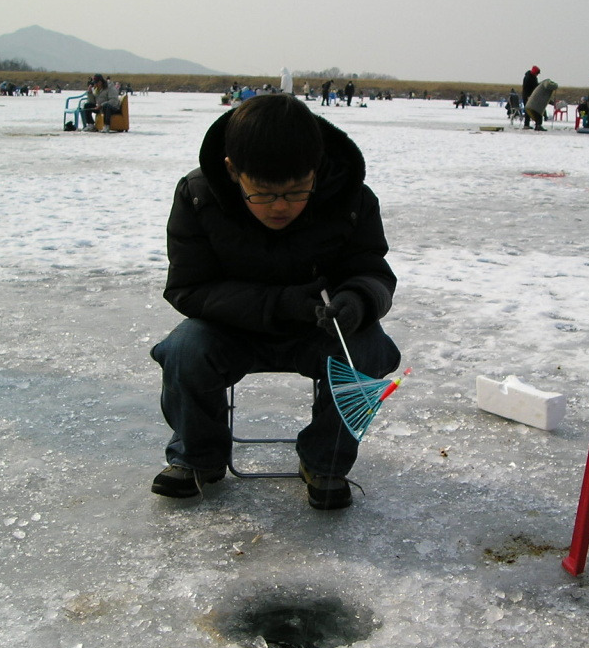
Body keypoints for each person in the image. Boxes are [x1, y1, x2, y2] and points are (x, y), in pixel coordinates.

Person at [149, 94, 401, 510]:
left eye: (296, 191)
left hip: (319, 331)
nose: (281, 207)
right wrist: (282, 303)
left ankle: (325, 462)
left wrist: (357, 300)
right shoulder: (198, 196)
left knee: (369, 349)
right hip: (229, 330)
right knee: (184, 349)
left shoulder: (353, 199)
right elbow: (188, 289)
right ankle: (199, 456)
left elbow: (372, 272)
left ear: (315, 170)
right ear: (233, 171)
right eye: (263, 194)